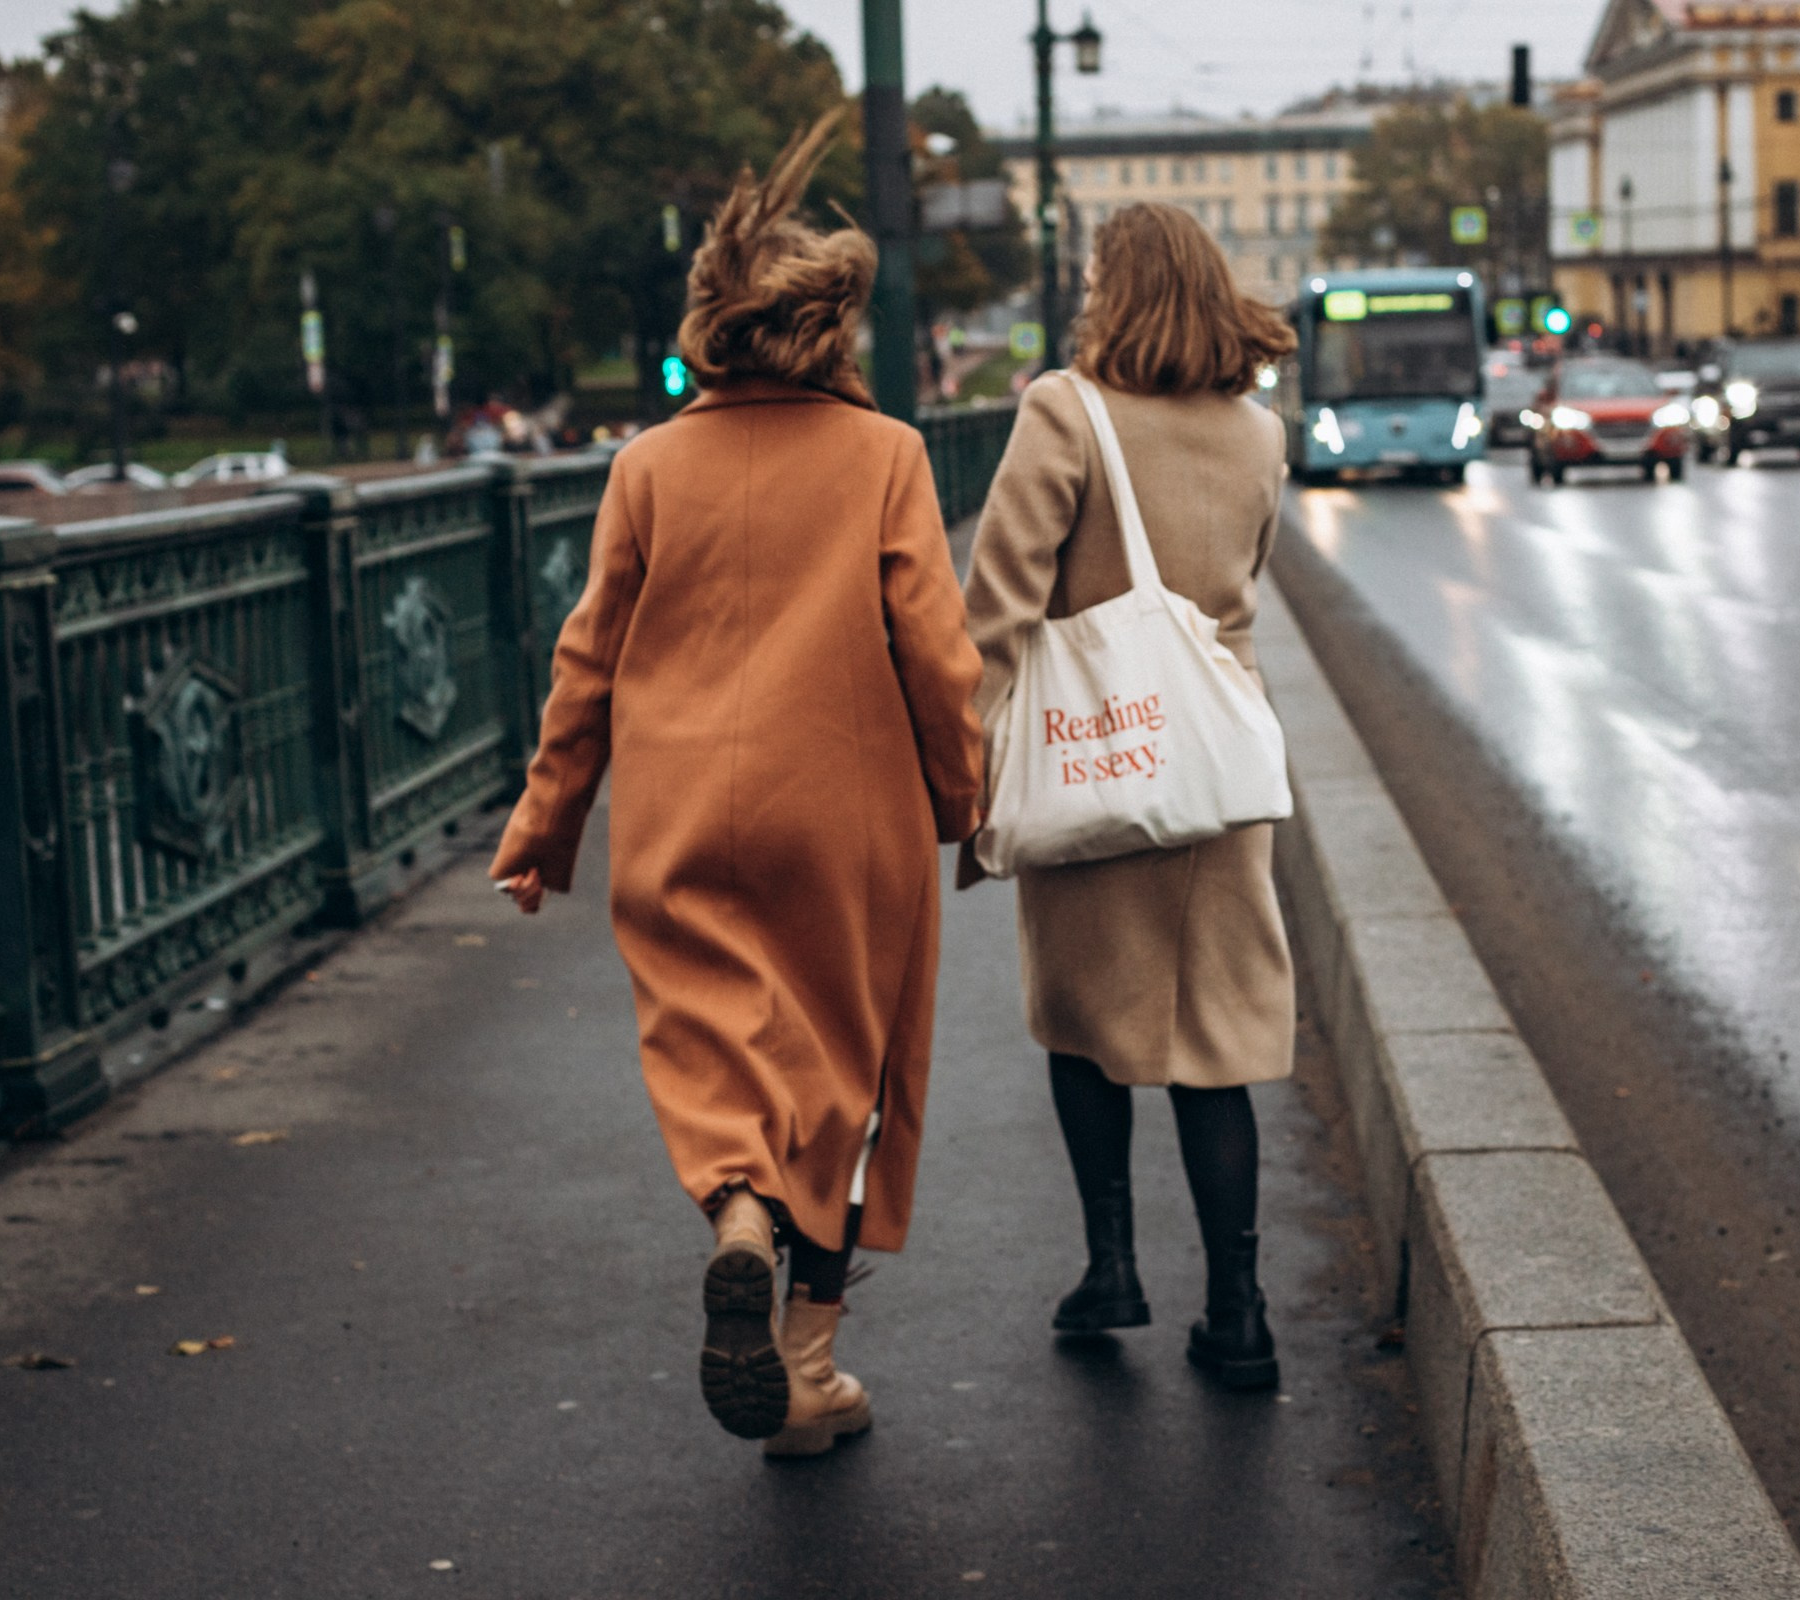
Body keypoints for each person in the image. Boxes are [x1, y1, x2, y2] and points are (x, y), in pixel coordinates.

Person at [491, 110, 985, 1457]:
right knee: (837, 1062)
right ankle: (808, 1371)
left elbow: (584, 663)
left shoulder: (645, 466)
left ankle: (734, 1210)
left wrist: (545, 828)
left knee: (712, 1041)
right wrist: (967, 802)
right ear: (829, 331)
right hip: (847, 811)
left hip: (676, 807)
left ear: (713, 321)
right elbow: (937, 654)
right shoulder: (884, 457)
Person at [959, 201, 1298, 1391]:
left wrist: (967, 770)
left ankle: (1113, 1268)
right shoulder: (1259, 434)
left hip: (1094, 757)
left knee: (1084, 1024)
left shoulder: (1067, 410)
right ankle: (1240, 1312)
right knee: (1217, 1043)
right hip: (1214, 768)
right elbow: (1239, 587)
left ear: (1114, 287)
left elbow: (997, 606)